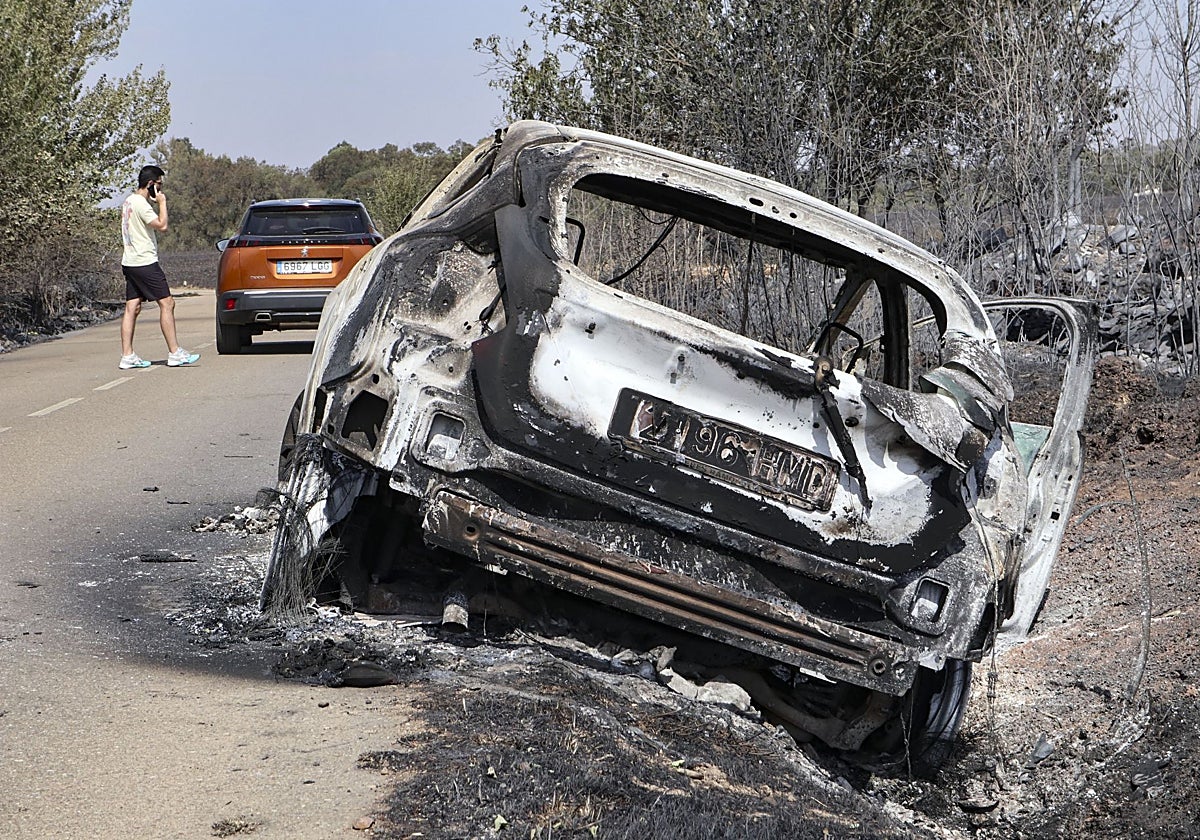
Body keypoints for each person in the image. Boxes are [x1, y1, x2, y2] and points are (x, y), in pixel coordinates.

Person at [118, 165, 200, 369]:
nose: (160, 190)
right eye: (159, 185)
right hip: (145, 262)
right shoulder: (142, 205)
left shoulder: (128, 201)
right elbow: (162, 225)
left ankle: (127, 355)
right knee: (167, 303)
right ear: (151, 184)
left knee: (132, 307)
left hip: (130, 262)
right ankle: (174, 352)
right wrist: (162, 203)